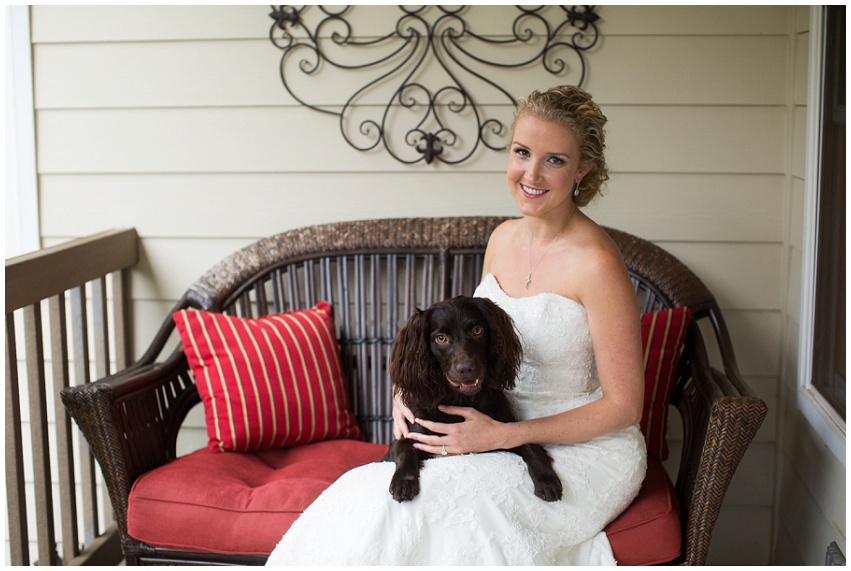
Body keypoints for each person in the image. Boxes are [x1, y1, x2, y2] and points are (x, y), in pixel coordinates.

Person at [266, 85, 647, 566]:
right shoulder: (502, 239)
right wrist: (409, 391)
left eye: (554, 160)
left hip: (576, 450)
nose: (531, 174)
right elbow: (464, 339)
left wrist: (504, 437)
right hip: (484, 426)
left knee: (438, 515)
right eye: (521, 152)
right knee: (366, 503)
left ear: (582, 171)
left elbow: (624, 407)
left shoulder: (597, 264)